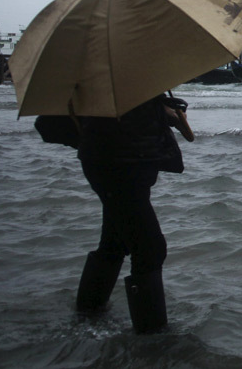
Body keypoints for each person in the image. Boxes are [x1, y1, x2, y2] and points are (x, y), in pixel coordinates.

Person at [72, 94, 191, 333]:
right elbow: (119, 115)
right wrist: (159, 110)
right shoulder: (112, 78)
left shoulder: (124, 78)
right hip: (118, 164)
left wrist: (161, 109)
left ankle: (87, 315)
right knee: (150, 248)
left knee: (115, 242)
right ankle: (152, 338)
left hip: (124, 162)